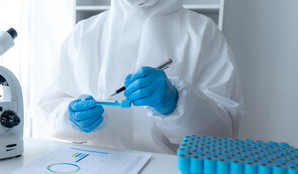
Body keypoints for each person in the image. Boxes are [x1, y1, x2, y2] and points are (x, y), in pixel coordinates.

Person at [38, 0, 244, 154]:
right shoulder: (84, 34)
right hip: (95, 173)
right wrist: (71, 118)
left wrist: (177, 102)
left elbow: (223, 132)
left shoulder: (202, 32)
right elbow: (53, 106)